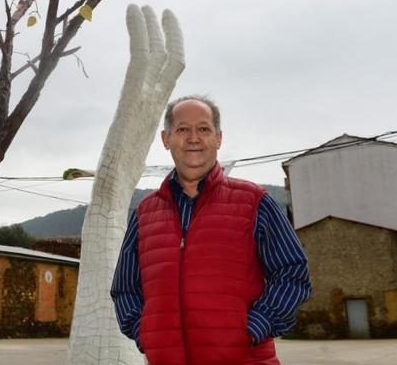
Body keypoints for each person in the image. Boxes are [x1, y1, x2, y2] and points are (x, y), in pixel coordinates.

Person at [111, 95, 311, 365]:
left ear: (218, 138)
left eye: (203, 129)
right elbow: (125, 287)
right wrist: (144, 332)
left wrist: (254, 327)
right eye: (182, 129)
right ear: (166, 138)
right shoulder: (145, 213)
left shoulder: (254, 201)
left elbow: (292, 272)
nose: (193, 137)